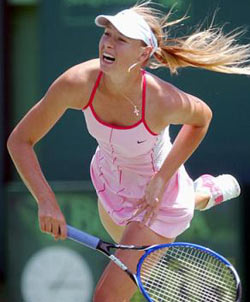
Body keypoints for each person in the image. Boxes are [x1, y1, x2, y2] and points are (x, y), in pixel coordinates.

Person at [7, 1, 248, 301]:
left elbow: (202, 119)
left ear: (143, 53)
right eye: (107, 34)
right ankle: (201, 193)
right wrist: (46, 201)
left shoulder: (162, 99)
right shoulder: (77, 83)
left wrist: (162, 178)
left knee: (106, 298)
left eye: (121, 39)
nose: (108, 42)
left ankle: (188, 195)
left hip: (155, 204)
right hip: (109, 189)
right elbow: (19, 141)